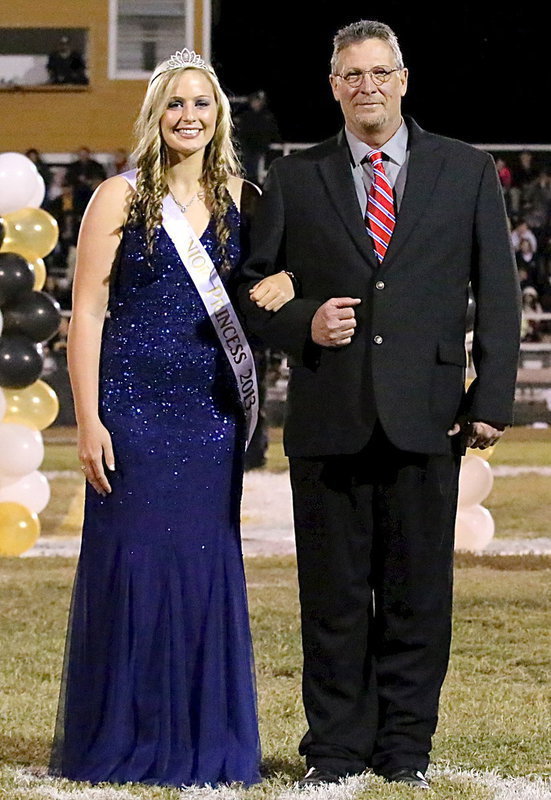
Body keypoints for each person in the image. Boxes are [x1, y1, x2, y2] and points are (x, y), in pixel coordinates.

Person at [237, 19, 521, 790]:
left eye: (378, 72)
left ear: (403, 79)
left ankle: (403, 748)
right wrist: (305, 322)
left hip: (428, 417)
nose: (366, 86)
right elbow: (252, 290)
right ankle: (333, 748)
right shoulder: (295, 177)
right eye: (350, 75)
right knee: (330, 600)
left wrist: (489, 395)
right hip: (329, 418)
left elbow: (497, 293)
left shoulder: (464, 170)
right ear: (333, 87)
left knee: (416, 598)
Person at [50, 48, 294, 788]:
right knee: (132, 566)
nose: (189, 115)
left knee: (201, 568)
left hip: (211, 415)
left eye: (202, 104)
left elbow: (267, 284)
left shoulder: (245, 198)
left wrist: (287, 279)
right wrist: (89, 419)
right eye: (175, 104)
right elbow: (86, 311)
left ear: (219, 117)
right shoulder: (116, 198)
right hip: (131, 413)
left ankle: (202, 736)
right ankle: (124, 733)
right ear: (155, 116)